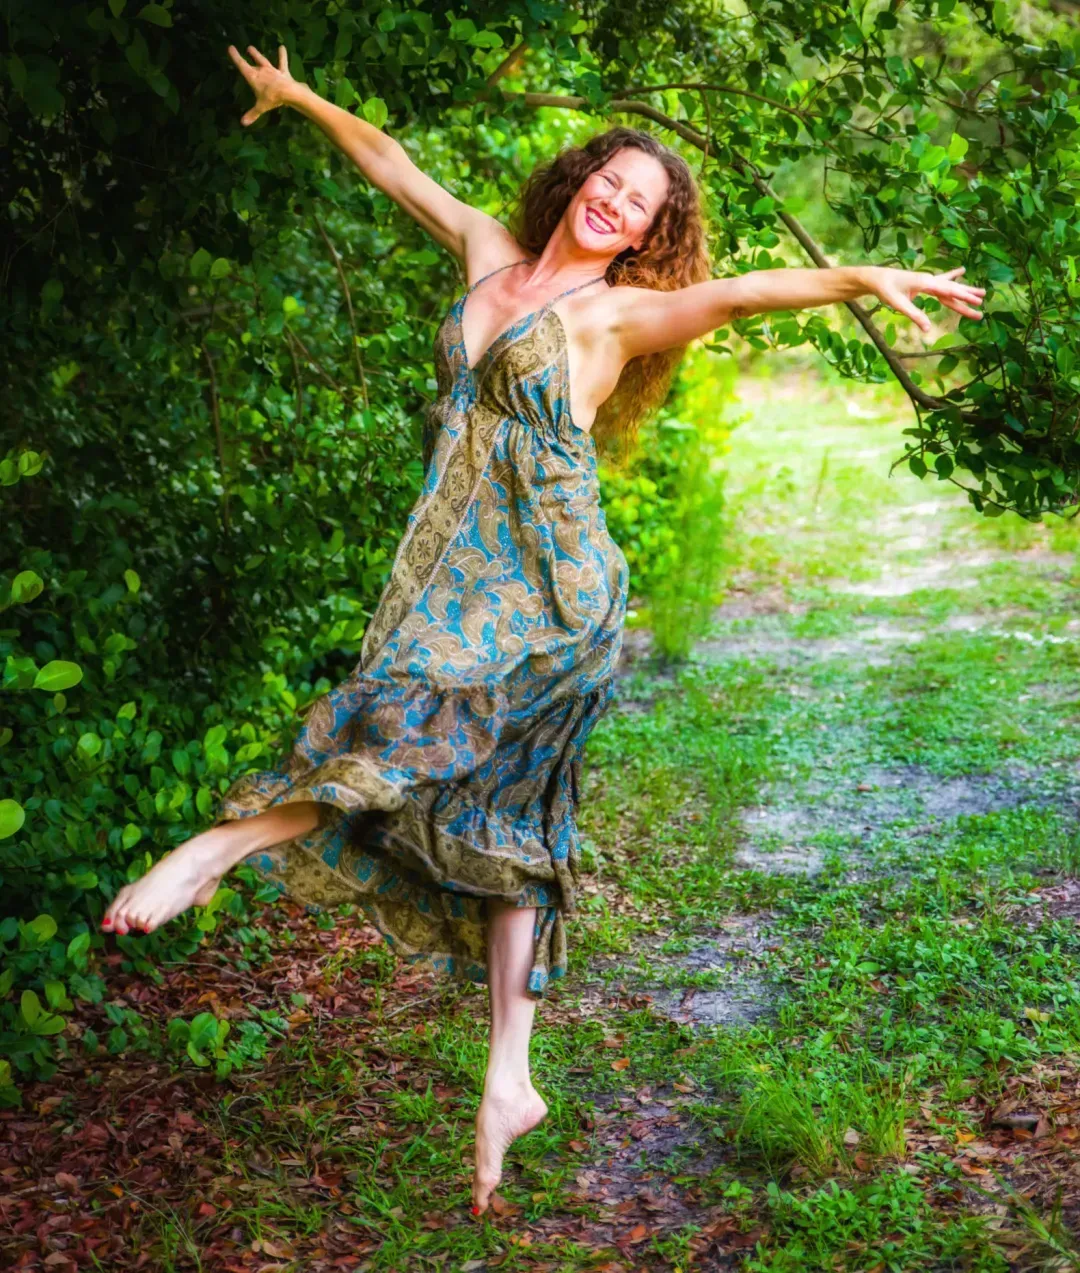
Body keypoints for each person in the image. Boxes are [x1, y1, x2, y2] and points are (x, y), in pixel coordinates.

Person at [101, 43, 985, 1213]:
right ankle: (511, 1079)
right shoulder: (488, 253)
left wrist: (869, 277)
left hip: (551, 595)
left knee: (400, 732)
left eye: (636, 203)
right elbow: (392, 163)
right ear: (578, 182)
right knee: (507, 812)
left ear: (640, 235)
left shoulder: (616, 317)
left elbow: (748, 293)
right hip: (452, 584)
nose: (610, 202)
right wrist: (303, 97)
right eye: (605, 180)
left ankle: (215, 851)